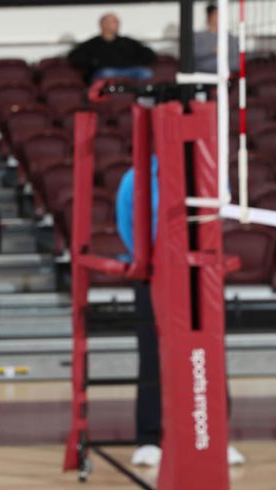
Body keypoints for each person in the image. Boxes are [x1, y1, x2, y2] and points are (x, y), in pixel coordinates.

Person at [116, 157, 245, 467]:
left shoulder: (209, 176)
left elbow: (219, 218)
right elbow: (126, 223)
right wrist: (149, 263)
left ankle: (218, 438)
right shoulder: (135, 178)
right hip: (153, 275)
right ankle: (148, 439)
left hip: (201, 273)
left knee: (211, 355)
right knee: (151, 357)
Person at [68, 12, 156, 82]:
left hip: (129, 70)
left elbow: (149, 53)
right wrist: (94, 63)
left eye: (117, 22)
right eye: (113, 21)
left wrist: (136, 62)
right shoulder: (92, 44)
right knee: (106, 73)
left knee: (146, 73)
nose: (117, 24)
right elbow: (74, 57)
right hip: (106, 71)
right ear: (103, 24)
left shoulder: (127, 42)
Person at [195, 3, 239, 74]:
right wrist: (211, 51)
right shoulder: (198, 37)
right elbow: (192, 56)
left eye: (220, 15)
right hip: (205, 75)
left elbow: (237, 60)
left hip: (229, 74)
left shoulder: (231, 38)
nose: (219, 18)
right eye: (216, 15)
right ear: (209, 17)